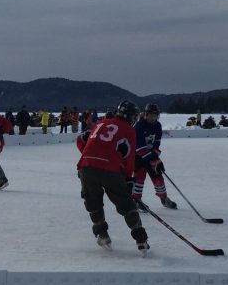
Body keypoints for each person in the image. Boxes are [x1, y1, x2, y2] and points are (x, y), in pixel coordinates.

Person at [76, 100, 149, 252]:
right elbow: (129, 157)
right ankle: (140, 239)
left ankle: (102, 234)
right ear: (131, 117)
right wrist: (128, 179)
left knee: (92, 201)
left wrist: (88, 157)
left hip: (87, 166)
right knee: (125, 202)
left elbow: (82, 139)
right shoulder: (129, 130)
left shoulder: (100, 123)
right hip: (109, 168)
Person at [131, 103, 177, 209]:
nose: (152, 117)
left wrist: (156, 158)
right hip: (138, 156)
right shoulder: (139, 126)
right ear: (146, 114)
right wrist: (153, 159)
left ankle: (164, 198)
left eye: (154, 115)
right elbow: (139, 147)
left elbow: (156, 143)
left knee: (158, 176)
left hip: (150, 154)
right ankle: (136, 199)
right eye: (150, 114)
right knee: (139, 177)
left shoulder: (158, 126)